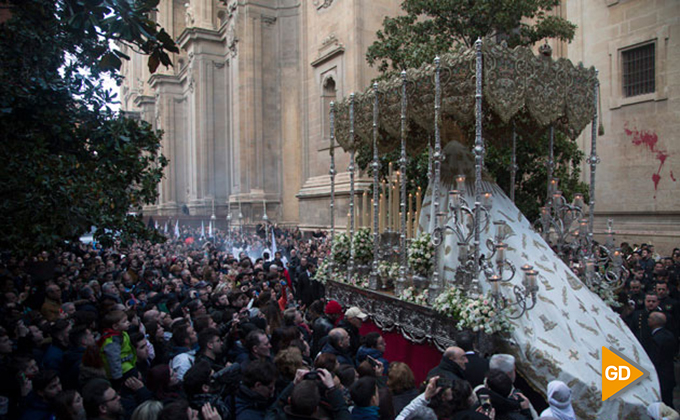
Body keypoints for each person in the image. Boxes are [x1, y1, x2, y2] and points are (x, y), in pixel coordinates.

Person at [648, 312, 677, 407]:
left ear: (654, 322)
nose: (648, 320)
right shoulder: (669, 335)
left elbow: (655, 358)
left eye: (650, 318)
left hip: (661, 375)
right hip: (668, 373)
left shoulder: (657, 338)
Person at [99, 310, 137, 384]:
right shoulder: (112, 342)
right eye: (124, 321)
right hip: (122, 371)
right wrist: (118, 378)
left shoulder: (123, 333)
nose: (128, 322)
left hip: (128, 364)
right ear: (115, 326)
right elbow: (113, 360)